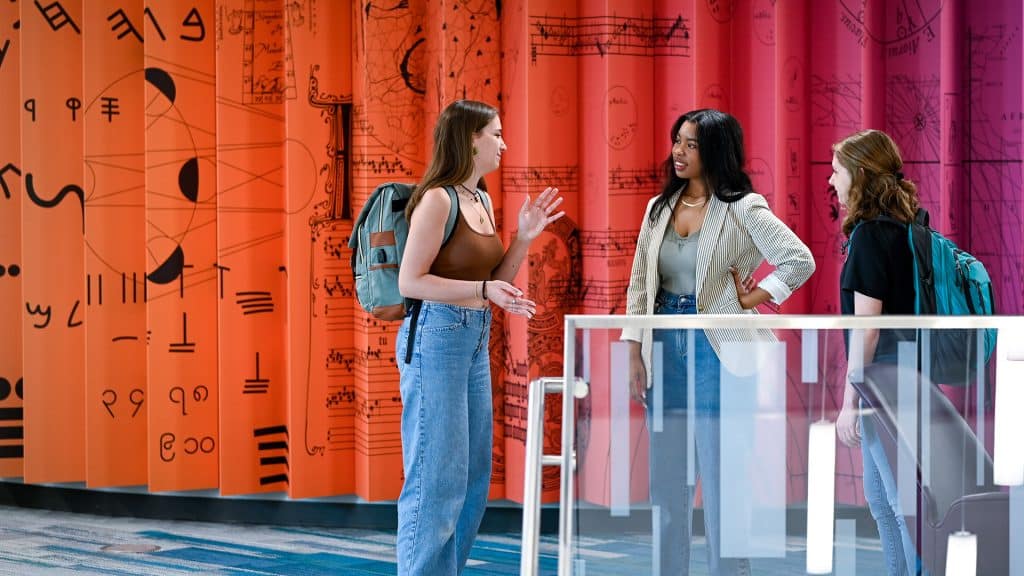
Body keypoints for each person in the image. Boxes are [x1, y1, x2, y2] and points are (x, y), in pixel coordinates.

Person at [621, 108, 815, 576]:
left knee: (723, 476)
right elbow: (640, 284)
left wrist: (753, 296)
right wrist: (633, 349)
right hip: (663, 341)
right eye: (677, 141)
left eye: (691, 144)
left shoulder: (743, 206)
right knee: (667, 481)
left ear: (715, 151)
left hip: (720, 347)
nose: (678, 152)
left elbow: (798, 259)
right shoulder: (657, 207)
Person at [395, 99, 564, 575]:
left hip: (472, 336)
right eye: (496, 134)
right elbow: (412, 282)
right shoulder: (438, 199)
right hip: (436, 337)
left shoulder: (481, 198)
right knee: (435, 478)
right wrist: (483, 288)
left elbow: (494, 279)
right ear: (470, 138)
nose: (503, 143)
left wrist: (524, 239)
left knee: (471, 478)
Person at [832, 129, 923, 576]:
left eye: (837, 171)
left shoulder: (869, 236)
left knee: (897, 501)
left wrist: (850, 402)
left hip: (881, 387)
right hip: (907, 377)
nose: (832, 181)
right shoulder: (908, 227)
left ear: (860, 174)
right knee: (882, 498)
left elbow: (866, 330)